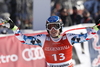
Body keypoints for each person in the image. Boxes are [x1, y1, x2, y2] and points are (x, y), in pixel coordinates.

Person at [1, 16, 100, 67]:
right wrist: (14, 28)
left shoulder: (68, 38)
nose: (53, 30)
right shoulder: (43, 39)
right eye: (50, 27)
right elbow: (23, 39)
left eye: (55, 26)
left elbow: (87, 36)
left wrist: (96, 27)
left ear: (60, 27)